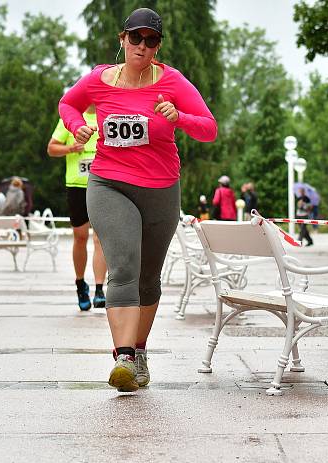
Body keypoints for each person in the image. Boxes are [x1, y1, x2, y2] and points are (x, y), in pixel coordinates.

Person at [58, 7, 217, 392]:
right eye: (136, 38)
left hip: (161, 188)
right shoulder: (99, 80)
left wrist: (178, 116)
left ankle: (139, 352)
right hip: (108, 182)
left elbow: (209, 129)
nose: (142, 46)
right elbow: (68, 104)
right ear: (122, 39)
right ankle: (124, 357)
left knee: (149, 278)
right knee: (124, 264)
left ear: (157, 45)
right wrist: (79, 128)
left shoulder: (173, 82)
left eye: (151, 40)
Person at [48, 104, 108, 310]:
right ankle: (81, 283)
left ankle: (100, 289)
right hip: (77, 185)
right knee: (80, 236)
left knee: (100, 238)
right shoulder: (71, 119)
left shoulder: (106, 114)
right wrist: (70, 148)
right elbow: (51, 148)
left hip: (103, 184)